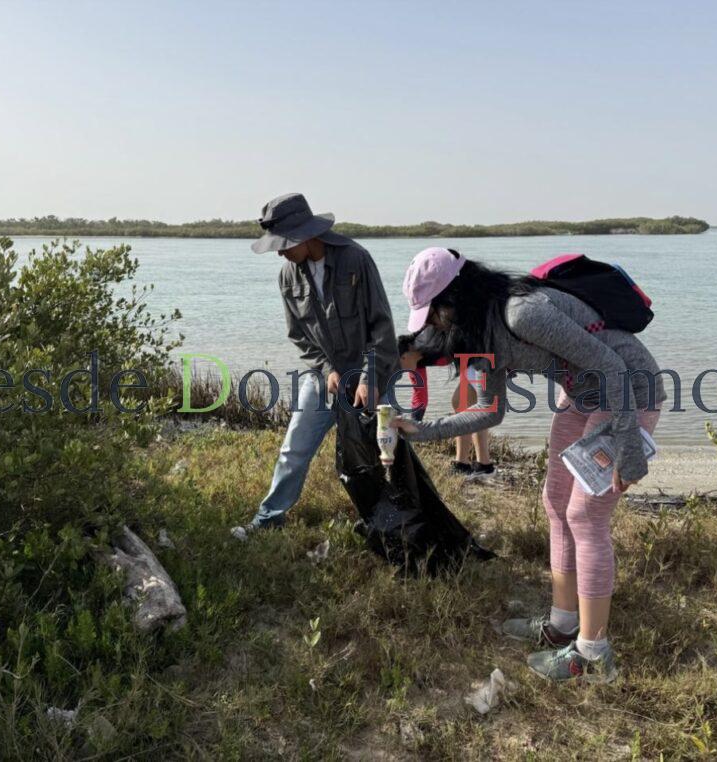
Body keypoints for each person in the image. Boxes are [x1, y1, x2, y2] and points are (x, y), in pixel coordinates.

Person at [391, 246, 665, 683]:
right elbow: (491, 411)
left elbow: (612, 364)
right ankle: (561, 627)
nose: (435, 324)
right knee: (555, 503)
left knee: (584, 515)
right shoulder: (484, 336)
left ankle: (593, 657)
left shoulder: (522, 313)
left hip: (627, 388)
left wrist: (630, 450)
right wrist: (421, 431)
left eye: (436, 312)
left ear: (457, 297)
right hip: (581, 394)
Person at [233, 193, 399, 539]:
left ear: (307, 235)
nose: (280, 252)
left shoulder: (357, 259)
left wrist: (370, 378)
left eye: (284, 243)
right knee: (294, 449)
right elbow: (298, 336)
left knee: (379, 456)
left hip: (372, 373)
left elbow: (381, 326)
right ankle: (269, 518)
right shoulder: (286, 277)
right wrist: (327, 370)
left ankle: (386, 524)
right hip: (324, 379)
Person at [397, 330, 494, 478]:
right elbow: (420, 397)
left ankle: (462, 465)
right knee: (471, 407)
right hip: (468, 360)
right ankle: (484, 466)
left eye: (400, 364)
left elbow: (463, 330)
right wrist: (413, 427)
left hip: (480, 348)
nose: (401, 370)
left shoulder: (430, 339)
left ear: (406, 354)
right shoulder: (415, 364)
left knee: (462, 402)